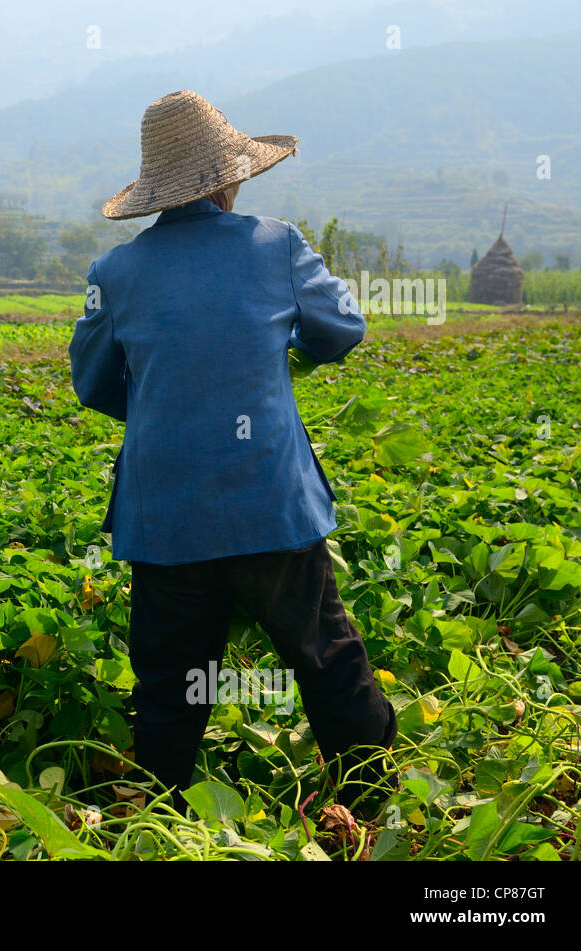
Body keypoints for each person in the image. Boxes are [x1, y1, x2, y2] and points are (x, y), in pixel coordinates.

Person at [68, 90, 397, 811]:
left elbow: (92, 384)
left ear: (157, 192)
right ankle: (375, 809)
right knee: (325, 659)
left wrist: (166, 410)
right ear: (228, 178)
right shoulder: (275, 245)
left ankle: (158, 822)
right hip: (270, 504)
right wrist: (288, 356)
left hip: (167, 516)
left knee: (169, 688)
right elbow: (343, 327)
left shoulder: (117, 275)